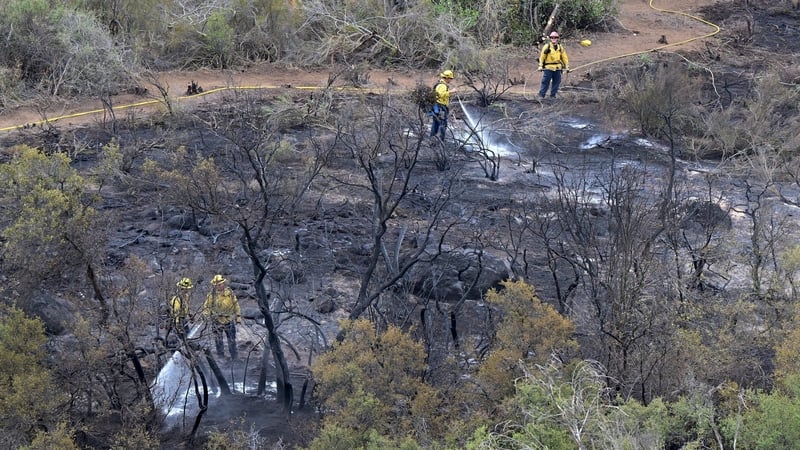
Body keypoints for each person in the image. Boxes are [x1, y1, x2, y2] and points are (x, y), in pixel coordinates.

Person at [203, 274, 241, 360]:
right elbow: (207, 307)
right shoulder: (211, 296)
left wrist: (238, 316)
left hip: (229, 320)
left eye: (221, 284)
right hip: (217, 321)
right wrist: (206, 315)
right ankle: (221, 358)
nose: (219, 286)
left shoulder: (230, 293)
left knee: (232, 340)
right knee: (218, 341)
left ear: (224, 283)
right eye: (217, 284)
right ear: (214, 285)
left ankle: (234, 357)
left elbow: (236, 305)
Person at [538, 31, 570, 99]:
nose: (553, 38)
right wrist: (540, 66)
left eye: (555, 37)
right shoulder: (547, 46)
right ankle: (541, 96)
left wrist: (567, 67)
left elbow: (564, 57)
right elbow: (542, 57)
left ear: (557, 38)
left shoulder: (560, 47)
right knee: (545, 82)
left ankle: (553, 96)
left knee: (556, 82)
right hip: (548, 68)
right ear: (550, 38)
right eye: (552, 37)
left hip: (558, 68)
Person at [429, 69, 456, 141]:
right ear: (447, 78)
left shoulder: (439, 84)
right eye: (450, 78)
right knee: (443, 124)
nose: (451, 80)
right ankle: (441, 140)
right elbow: (441, 95)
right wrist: (451, 92)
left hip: (437, 106)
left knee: (436, 123)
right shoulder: (442, 86)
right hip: (441, 107)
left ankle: (432, 139)